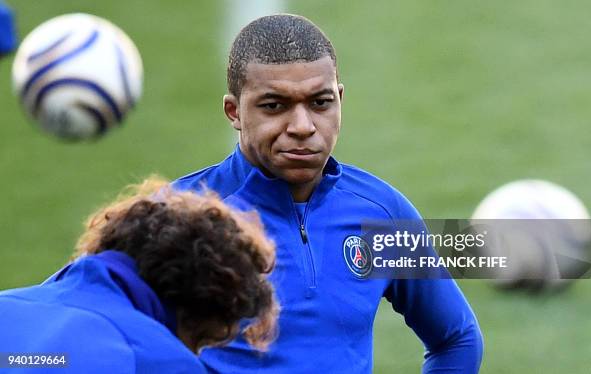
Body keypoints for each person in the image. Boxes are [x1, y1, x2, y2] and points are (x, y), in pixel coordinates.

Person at [174, 14, 483, 373]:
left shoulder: (380, 213)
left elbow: (457, 338)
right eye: (274, 106)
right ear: (234, 111)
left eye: (320, 103)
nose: (303, 127)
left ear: (339, 99)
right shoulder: (179, 217)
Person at [0, 177, 278, 373]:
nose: (194, 354)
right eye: (200, 341)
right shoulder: (161, 360)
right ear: (194, 308)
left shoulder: (7, 307)